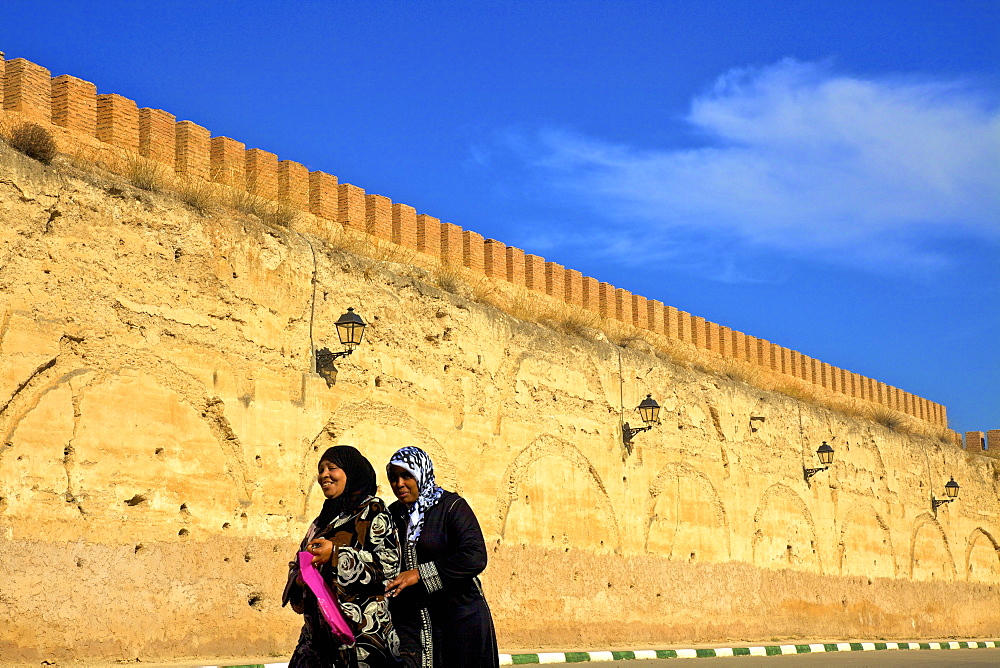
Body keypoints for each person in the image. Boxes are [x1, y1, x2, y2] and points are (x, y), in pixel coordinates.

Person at [283, 445, 401, 667]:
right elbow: (298, 561)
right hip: (317, 641)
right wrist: (299, 579)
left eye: (332, 468)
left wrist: (336, 554)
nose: (324, 475)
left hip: (362, 637)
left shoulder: (372, 511)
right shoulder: (320, 522)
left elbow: (389, 564)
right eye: (321, 470)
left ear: (351, 471)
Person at [383, 446, 499, 668]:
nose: (399, 484)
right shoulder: (394, 515)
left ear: (421, 473)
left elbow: (475, 556)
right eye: (394, 477)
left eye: (406, 475)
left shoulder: (452, 507)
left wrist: (420, 573)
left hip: (460, 619)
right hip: (414, 623)